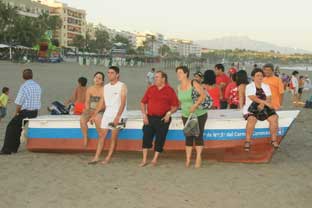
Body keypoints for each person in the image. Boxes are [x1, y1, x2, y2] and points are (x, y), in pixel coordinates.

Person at [89, 66, 127, 164]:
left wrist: (118, 117)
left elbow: (122, 103)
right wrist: (94, 114)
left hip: (119, 115)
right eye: (108, 73)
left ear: (117, 75)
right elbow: (102, 102)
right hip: (107, 114)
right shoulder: (106, 87)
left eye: (112, 73)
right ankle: (96, 157)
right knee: (102, 136)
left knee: (113, 137)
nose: (109, 74)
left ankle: (108, 158)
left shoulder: (122, 86)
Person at [140, 71, 179, 167]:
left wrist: (169, 113)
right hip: (150, 117)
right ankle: (144, 160)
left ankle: (154, 160)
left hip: (163, 119)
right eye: (155, 77)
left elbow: (175, 106)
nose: (155, 79)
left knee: (160, 139)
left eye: (157, 77)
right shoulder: (151, 89)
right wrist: (144, 115)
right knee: (146, 137)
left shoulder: (170, 90)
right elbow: (142, 102)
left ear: (163, 79)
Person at [0, 69, 41, 154]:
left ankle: (7, 149)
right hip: (35, 112)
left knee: (11, 126)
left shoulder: (24, 86)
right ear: (32, 76)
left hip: (26, 112)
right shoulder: (37, 86)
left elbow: (19, 103)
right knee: (17, 126)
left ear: (23, 76)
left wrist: (16, 113)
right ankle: (14, 148)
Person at [176, 66, 207, 168]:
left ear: (186, 74)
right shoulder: (178, 87)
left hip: (199, 113)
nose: (178, 75)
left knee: (198, 136)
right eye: (177, 73)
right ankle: (188, 159)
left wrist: (194, 105)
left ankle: (198, 157)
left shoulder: (193, 83)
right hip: (186, 115)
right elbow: (180, 102)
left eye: (180, 72)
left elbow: (203, 95)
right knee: (188, 137)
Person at [243, 68, 279, 151]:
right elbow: (253, 97)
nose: (260, 77)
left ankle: (273, 140)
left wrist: (263, 104)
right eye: (257, 75)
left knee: (274, 118)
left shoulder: (266, 86)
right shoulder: (249, 86)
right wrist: (265, 103)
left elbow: (269, 98)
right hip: (252, 108)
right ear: (253, 77)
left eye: (261, 76)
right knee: (252, 119)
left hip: (264, 107)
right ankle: (247, 141)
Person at [80, 72, 105, 147]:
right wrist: (88, 111)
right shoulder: (90, 89)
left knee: (97, 120)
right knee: (82, 120)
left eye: (99, 78)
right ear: (93, 78)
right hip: (90, 109)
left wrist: (94, 114)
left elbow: (104, 104)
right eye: (96, 77)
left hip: (101, 110)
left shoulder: (104, 90)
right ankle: (85, 137)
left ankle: (100, 137)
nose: (97, 79)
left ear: (102, 81)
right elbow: (87, 101)